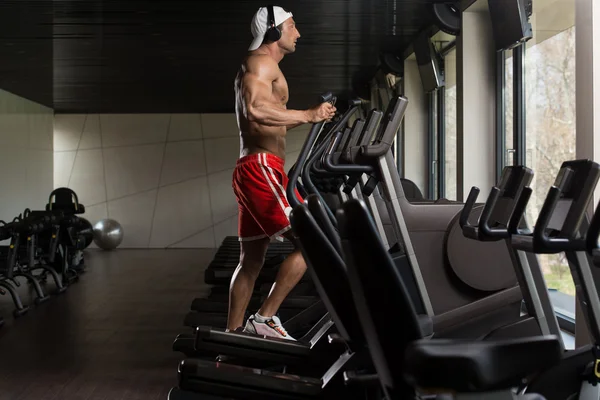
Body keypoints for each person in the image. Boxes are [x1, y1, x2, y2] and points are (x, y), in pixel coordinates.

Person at [229, 5, 336, 340]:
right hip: (261, 167)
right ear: (274, 30)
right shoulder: (261, 63)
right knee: (314, 239)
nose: (298, 33)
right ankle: (264, 318)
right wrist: (307, 115)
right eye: (293, 26)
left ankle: (232, 334)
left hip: (256, 167)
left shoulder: (263, 66)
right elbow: (256, 111)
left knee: (251, 261)